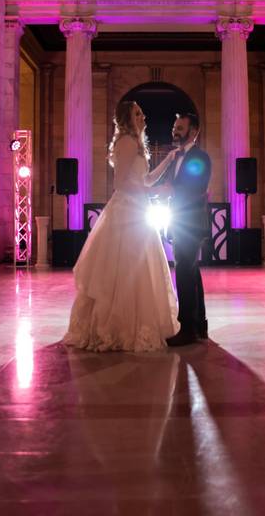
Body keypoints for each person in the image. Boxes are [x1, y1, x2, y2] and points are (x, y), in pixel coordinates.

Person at [62, 101, 181, 352]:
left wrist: (167, 162)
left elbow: (145, 179)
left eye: (141, 111)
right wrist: (151, 193)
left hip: (137, 208)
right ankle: (115, 327)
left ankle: (133, 323)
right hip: (127, 211)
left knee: (137, 269)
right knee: (124, 268)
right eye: (137, 113)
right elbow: (119, 183)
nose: (143, 115)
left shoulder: (136, 144)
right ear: (127, 118)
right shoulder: (126, 142)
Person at [156, 113, 213, 347]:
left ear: (194, 131)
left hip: (191, 222)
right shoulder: (177, 156)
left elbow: (197, 188)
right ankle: (199, 325)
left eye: (180, 127)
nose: (175, 130)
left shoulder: (200, 157)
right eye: (174, 126)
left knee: (184, 273)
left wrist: (171, 190)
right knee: (191, 272)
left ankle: (187, 329)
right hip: (180, 221)